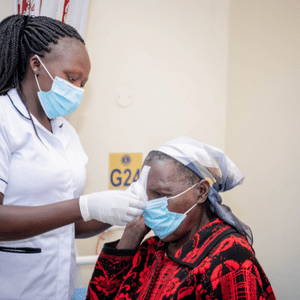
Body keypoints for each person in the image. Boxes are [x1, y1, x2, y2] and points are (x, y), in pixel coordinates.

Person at [0, 14, 145, 300]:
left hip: (57, 287)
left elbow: (69, 222)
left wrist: (117, 208)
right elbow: (74, 209)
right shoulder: (4, 119)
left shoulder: (65, 131)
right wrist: (84, 205)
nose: (78, 90)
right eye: (72, 77)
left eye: (84, 82)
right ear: (35, 65)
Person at [86, 136, 276, 300]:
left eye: (161, 195)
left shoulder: (230, 260)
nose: (148, 205)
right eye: (145, 196)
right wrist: (128, 241)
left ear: (201, 192)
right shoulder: (152, 248)